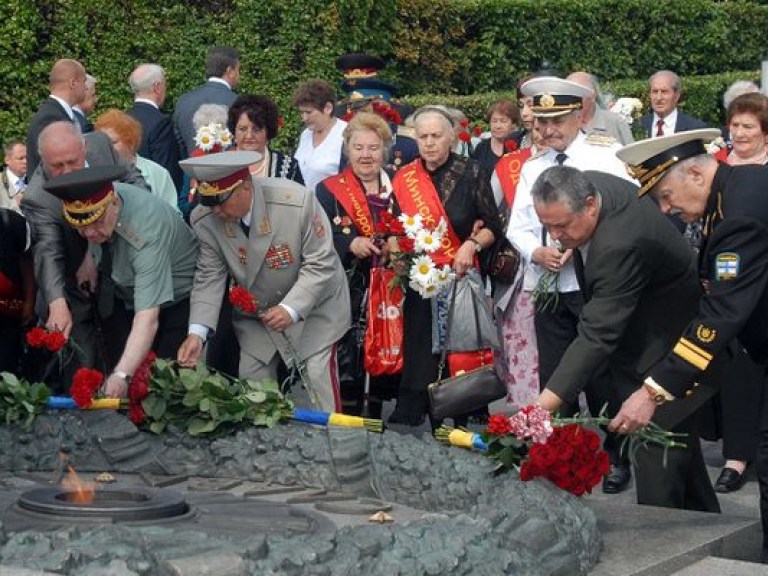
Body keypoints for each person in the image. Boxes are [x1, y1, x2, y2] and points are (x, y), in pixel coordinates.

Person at [610, 128, 768, 558]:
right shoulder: (732, 193)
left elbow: (722, 311)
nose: (668, 209)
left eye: (666, 195)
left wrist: (653, 390)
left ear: (696, 174)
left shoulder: (740, 212)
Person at [532, 165, 720, 513]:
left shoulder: (619, 244)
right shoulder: (593, 182)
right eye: (548, 226)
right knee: (682, 466)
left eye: (562, 225)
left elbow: (596, 334)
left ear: (590, 205)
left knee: (655, 471)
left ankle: (663, 556)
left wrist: (538, 410)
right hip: (654, 336)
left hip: (672, 353)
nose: (556, 237)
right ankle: (711, 547)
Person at [507, 76, 636, 493]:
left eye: (557, 121)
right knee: (556, 375)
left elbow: (625, 216)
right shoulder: (532, 166)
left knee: (600, 373)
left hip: (592, 283)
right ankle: (560, 456)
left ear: (579, 116)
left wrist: (581, 247)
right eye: (541, 123)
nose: (547, 131)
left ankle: (617, 455)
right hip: (548, 285)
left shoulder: (606, 158)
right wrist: (535, 251)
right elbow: (518, 226)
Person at [177, 151, 350, 413]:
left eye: (221, 202)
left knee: (317, 376)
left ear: (246, 187)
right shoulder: (205, 219)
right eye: (209, 203)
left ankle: (333, 446)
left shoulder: (296, 202)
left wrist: (291, 309)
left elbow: (321, 263)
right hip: (259, 315)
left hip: (314, 308)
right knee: (252, 387)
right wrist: (197, 333)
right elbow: (209, 276)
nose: (215, 211)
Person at [387, 106, 503, 427]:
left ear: (451, 137)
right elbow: (395, 228)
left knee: (462, 348)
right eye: (423, 137)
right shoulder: (405, 178)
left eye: (436, 136)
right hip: (421, 276)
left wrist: (471, 244)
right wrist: (397, 253)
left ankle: (465, 411)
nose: (429, 143)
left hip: (460, 275)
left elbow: (493, 225)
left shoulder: (472, 171)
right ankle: (419, 414)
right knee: (421, 347)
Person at [44, 165, 198, 397]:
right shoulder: (101, 201)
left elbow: (148, 317)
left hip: (177, 301)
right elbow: (91, 222)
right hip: (126, 293)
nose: (90, 234)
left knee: (166, 388)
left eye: (96, 226)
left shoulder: (145, 232)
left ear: (114, 204)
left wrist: (122, 375)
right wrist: (90, 256)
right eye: (81, 229)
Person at [21, 121, 147, 380]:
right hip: (71, 286)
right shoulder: (37, 197)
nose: (67, 172)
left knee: (129, 357)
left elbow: (134, 182)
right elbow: (48, 252)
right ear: (42, 161)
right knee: (82, 366)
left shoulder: (102, 145)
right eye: (57, 166)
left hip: (120, 271)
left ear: (85, 148)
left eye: (72, 162)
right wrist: (57, 303)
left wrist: (94, 249)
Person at [316, 112, 399, 417]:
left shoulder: (398, 186)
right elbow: (320, 235)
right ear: (347, 150)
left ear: (384, 151)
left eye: (374, 148)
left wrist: (396, 245)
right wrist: (349, 243)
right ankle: (348, 416)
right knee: (350, 354)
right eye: (359, 147)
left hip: (391, 286)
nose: (366, 155)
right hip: (348, 285)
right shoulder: (328, 189)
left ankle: (376, 415)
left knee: (385, 350)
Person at [491, 124, 546, 408]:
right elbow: (490, 207)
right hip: (521, 269)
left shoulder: (581, 159)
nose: (544, 132)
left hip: (566, 269)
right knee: (520, 341)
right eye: (537, 127)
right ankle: (525, 412)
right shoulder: (512, 165)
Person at [94, 109, 179, 210]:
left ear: (130, 143)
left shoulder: (158, 173)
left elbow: (173, 214)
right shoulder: (95, 174)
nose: (107, 148)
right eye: (103, 143)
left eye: (113, 142)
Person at [173, 46, 240, 159]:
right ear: (230, 71)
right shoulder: (240, 103)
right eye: (238, 69)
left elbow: (178, 144)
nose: (239, 75)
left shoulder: (183, 101)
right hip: (230, 171)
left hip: (192, 171)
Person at [127, 63, 183, 193]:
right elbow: (168, 170)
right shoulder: (161, 123)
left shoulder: (122, 119)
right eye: (164, 85)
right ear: (157, 87)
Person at [25, 59, 87, 175]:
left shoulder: (56, 113)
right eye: (84, 81)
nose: (86, 88)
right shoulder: (50, 119)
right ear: (73, 83)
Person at [228, 94, 303, 183]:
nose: (249, 136)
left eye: (256, 129)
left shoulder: (288, 165)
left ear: (268, 131)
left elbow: (300, 196)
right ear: (234, 130)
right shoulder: (219, 165)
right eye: (242, 129)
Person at [292, 79, 348, 192]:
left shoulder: (346, 134)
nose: (304, 118)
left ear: (328, 108)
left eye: (308, 112)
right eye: (301, 113)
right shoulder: (305, 134)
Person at [0, 208, 35, 374]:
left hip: (8, 313)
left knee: (6, 369)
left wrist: (29, 303)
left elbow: (26, 263)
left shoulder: (11, 222)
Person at [566, 71, 633, 145]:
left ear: (592, 96)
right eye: (568, 96)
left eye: (577, 95)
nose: (571, 101)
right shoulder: (560, 124)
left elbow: (631, 154)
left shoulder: (615, 122)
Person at [639, 70, 708, 138]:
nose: (658, 98)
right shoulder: (637, 126)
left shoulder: (695, 129)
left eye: (664, 92)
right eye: (655, 91)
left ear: (676, 96)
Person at [470, 99, 521, 177]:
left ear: (513, 124)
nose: (498, 126)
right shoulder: (481, 147)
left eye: (503, 121)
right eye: (494, 121)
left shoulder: (520, 145)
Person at [1, 140, 27, 212]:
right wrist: (15, 204)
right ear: (7, 160)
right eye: (20, 158)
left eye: (27, 157)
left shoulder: (34, 180)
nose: (25, 161)